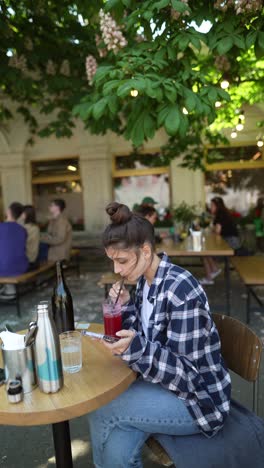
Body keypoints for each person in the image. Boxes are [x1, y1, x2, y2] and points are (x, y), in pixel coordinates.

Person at [88, 202, 231, 468]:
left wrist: (137, 349)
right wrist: (126, 305)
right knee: (117, 446)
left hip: (198, 401)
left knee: (104, 407)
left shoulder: (180, 290)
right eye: (113, 261)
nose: (117, 271)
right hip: (163, 387)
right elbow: (144, 334)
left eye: (122, 261)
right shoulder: (146, 281)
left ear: (145, 250)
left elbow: (188, 375)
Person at [200, 197, 241, 285]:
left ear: (217, 206)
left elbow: (217, 231)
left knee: (204, 252)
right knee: (204, 252)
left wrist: (211, 229)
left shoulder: (220, 215)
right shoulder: (223, 214)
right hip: (231, 242)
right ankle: (213, 271)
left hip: (230, 243)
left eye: (212, 205)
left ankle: (211, 274)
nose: (210, 207)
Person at [0, 202, 28, 300]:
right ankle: (8, 289)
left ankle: (9, 291)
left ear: (8, 211)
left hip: (3, 269)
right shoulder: (23, 230)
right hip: (21, 267)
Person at [20, 205, 40, 269]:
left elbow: (22, 243)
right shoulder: (34, 227)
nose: (21, 214)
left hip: (29, 260)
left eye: (22, 213)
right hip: (33, 259)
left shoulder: (28, 228)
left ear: (27, 214)